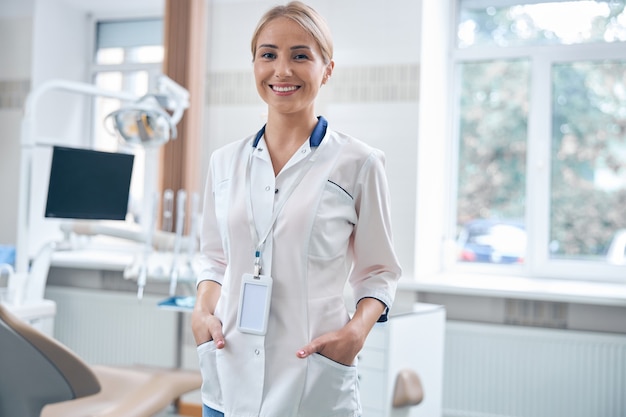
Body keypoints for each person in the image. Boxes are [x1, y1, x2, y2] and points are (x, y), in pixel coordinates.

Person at [191, 2, 401, 416]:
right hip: (226, 379)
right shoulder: (224, 163)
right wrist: (201, 312)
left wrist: (354, 335)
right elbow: (214, 258)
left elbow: (380, 272)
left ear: (327, 69)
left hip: (313, 382)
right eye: (268, 54)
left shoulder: (359, 163)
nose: (282, 70)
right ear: (253, 65)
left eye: (300, 55)